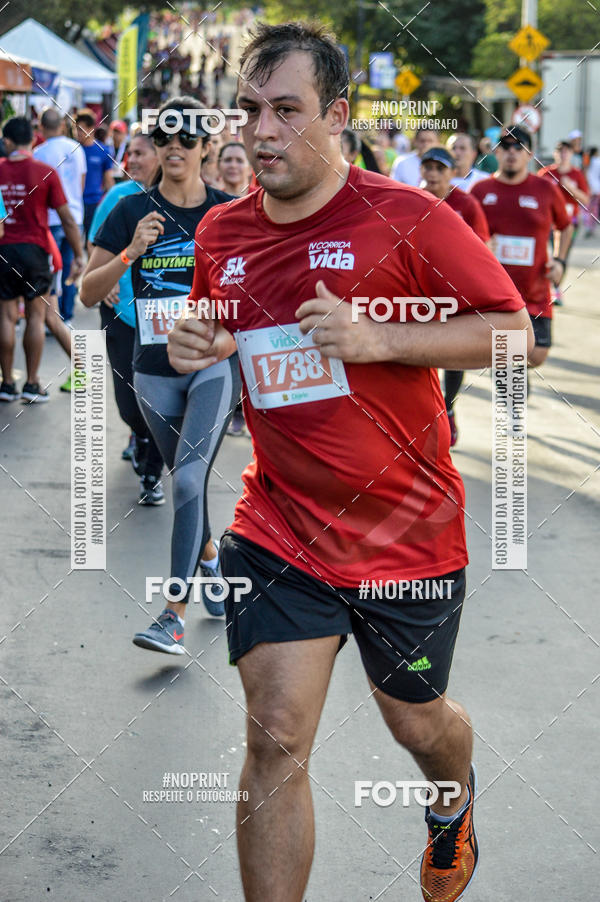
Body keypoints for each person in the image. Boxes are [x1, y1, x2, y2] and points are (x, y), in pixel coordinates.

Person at [168, 23, 532, 902]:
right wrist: (195, 340)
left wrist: (379, 336)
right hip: (281, 524)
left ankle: (453, 802)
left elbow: (514, 334)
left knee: (416, 723)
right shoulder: (221, 232)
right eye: (250, 110)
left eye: (286, 111)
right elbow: (218, 326)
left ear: (336, 116)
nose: (260, 132)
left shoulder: (406, 217)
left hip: (407, 533)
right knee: (276, 736)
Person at [81, 96, 241, 647]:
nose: (175, 147)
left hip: (213, 367)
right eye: (166, 137)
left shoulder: (229, 213)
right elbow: (85, 293)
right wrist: (129, 253)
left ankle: (172, 613)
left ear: (206, 148)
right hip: (151, 370)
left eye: (188, 138)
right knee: (185, 485)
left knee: (190, 478)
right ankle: (216, 565)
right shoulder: (130, 209)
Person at [87, 131, 165, 480]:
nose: (131, 160)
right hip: (120, 309)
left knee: (160, 397)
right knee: (127, 399)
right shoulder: (118, 198)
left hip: (166, 317)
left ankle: (151, 466)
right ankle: (140, 431)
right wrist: (103, 282)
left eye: (140, 153)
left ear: (160, 156)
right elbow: (96, 250)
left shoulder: (179, 200)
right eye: (128, 153)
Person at [472, 125, 572, 382]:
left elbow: (565, 225)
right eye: (506, 146)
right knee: (506, 363)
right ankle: (510, 382)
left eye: (520, 147)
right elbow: (462, 235)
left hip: (535, 291)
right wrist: (479, 245)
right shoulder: (481, 191)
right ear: (497, 152)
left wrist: (560, 261)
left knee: (537, 355)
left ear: (530, 154)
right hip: (493, 294)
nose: (512, 152)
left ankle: (511, 368)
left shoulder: (546, 190)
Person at [0, 117, 84, 403]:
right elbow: (67, 219)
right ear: (31, 140)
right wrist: (80, 254)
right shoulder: (45, 172)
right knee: (37, 316)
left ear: (7, 141)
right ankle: (32, 384)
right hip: (36, 250)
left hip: (3, 250)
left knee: (7, 317)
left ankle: (7, 382)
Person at [420, 146, 490, 447]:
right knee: (421, 351)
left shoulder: (466, 204)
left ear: (453, 173)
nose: (433, 174)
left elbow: (482, 246)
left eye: (440, 168)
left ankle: (447, 406)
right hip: (418, 288)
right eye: (429, 167)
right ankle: (426, 413)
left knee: (452, 351)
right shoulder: (409, 199)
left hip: (455, 288)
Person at [33, 108, 87, 326]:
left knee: (52, 269)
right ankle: (68, 316)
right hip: (75, 216)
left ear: (42, 127)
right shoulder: (77, 149)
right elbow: (81, 184)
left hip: (51, 219)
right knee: (72, 265)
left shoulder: (39, 152)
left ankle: (52, 317)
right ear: (63, 126)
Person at [537, 140, 590, 305]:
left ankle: (557, 289)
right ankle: (544, 287)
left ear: (571, 154)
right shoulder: (546, 173)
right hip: (547, 222)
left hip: (569, 223)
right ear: (555, 154)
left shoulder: (577, 174)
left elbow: (586, 200)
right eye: (560, 151)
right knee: (544, 254)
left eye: (566, 151)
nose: (563, 154)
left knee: (561, 256)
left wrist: (571, 189)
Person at [76, 109, 114, 242]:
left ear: (91, 129)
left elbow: (108, 179)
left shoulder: (103, 151)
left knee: (92, 241)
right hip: (75, 203)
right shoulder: (73, 150)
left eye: (82, 129)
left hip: (94, 203)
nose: (78, 133)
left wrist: (113, 201)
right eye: (77, 129)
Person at [583, 147, 600, 237]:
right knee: (595, 208)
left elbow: (585, 174)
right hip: (597, 188)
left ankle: (588, 226)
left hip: (588, 188)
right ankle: (592, 227)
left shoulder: (587, 161)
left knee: (587, 208)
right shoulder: (598, 161)